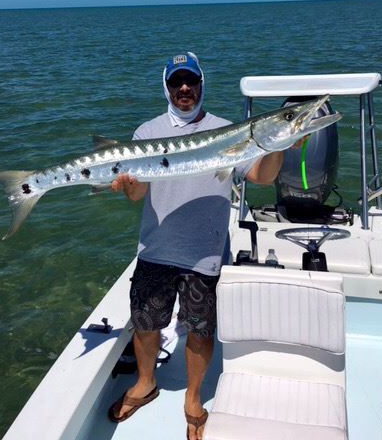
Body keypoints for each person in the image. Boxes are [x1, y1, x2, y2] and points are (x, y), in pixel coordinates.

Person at [108, 52, 288, 440]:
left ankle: (192, 398)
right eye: (177, 83)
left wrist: (279, 145)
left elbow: (258, 175)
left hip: (204, 253)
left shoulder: (229, 130)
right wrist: (127, 183)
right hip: (156, 248)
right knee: (145, 323)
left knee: (200, 331)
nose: (184, 89)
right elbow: (137, 194)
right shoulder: (146, 133)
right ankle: (145, 383)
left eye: (190, 81)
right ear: (167, 87)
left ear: (202, 84)